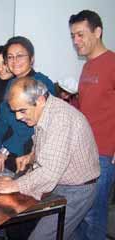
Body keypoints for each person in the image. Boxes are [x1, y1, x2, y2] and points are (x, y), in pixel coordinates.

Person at [0, 76, 100, 240]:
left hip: (77, 189)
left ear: (40, 100)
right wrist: (31, 157)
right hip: (60, 182)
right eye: (15, 112)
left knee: (42, 236)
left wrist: (15, 184)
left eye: (22, 111)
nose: (18, 117)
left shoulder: (61, 120)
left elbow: (49, 172)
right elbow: (48, 146)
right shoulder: (44, 111)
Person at [0, 36, 55, 173]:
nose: (14, 61)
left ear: (31, 58)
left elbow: (28, 129)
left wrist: (3, 152)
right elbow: (2, 119)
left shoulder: (42, 84)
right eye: (10, 57)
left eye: (20, 56)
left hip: (30, 152)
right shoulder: (12, 84)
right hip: (9, 149)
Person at [69, 10, 115, 240]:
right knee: (79, 214)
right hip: (83, 150)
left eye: (80, 34)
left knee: (94, 217)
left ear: (97, 32)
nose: (76, 41)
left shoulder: (113, 62)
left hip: (103, 154)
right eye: (73, 36)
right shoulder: (87, 66)